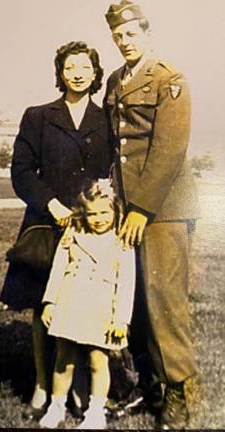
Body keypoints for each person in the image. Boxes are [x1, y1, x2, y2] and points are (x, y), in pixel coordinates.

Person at [0, 41, 111, 419]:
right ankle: (42, 382)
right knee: (42, 306)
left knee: (87, 306)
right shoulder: (37, 116)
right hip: (47, 224)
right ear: (60, 72)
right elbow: (21, 172)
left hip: (92, 229)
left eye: (85, 66)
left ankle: (79, 384)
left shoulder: (107, 119)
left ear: (96, 73)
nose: (78, 72)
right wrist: (52, 205)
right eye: (70, 66)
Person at [104, 1, 199, 429]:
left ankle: (179, 395)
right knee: (136, 303)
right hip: (128, 211)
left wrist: (142, 208)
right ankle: (150, 386)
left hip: (163, 210)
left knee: (165, 303)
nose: (124, 42)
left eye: (131, 34)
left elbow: (169, 149)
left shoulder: (168, 78)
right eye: (118, 36)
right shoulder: (115, 80)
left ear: (146, 32)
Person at [39, 179, 136, 429]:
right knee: (64, 359)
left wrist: (121, 319)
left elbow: (126, 283)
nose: (99, 218)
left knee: (98, 360)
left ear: (116, 212)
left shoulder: (122, 241)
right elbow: (58, 270)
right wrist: (50, 302)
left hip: (101, 310)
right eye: (92, 214)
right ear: (83, 213)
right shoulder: (73, 235)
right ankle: (56, 406)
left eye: (104, 212)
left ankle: (95, 411)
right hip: (69, 303)